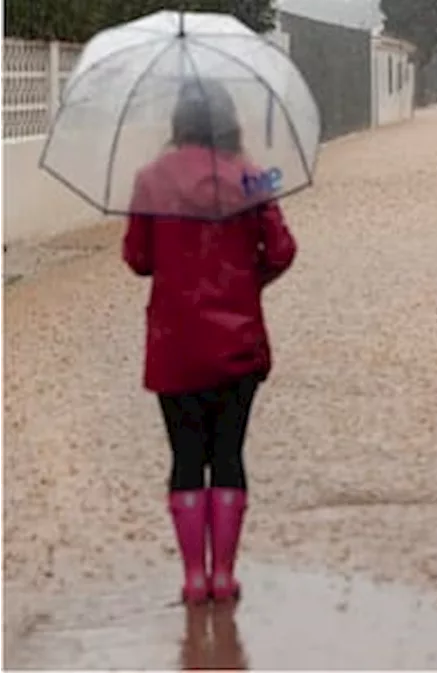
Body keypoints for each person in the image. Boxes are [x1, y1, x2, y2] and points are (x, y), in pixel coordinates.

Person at [124, 80, 297, 604]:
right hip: (238, 343)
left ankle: (192, 580)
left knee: (184, 456)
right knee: (228, 454)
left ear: (179, 122)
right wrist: (248, 280)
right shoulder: (251, 177)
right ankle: (224, 574)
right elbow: (283, 249)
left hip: (175, 345)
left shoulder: (151, 180)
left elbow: (138, 259)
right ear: (229, 123)